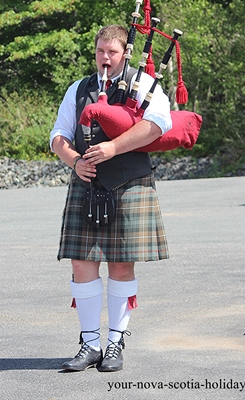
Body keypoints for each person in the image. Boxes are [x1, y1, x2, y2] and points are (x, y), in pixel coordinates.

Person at [50, 24, 172, 372]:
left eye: (112, 52)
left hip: (130, 183)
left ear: (125, 53)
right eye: (101, 50)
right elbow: (58, 135)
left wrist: (113, 147)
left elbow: (159, 123)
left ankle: (115, 343)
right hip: (87, 185)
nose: (105, 58)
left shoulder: (145, 84)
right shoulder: (78, 88)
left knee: (121, 264)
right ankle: (89, 344)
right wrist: (74, 162)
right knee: (81, 263)